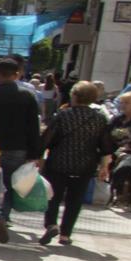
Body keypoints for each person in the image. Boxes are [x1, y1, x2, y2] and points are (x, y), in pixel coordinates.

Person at [0, 57, 42, 242]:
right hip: (18, 148)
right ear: (17, 74)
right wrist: (35, 154)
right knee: (9, 186)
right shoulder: (27, 97)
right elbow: (33, 127)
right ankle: (2, 215)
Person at [38, 80, 112, 247]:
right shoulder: (100, 118)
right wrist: (104, 166)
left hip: (59, 163)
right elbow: (106, 145)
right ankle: (65, 234)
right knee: (75, 200)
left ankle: (51, 224)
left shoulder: (63, 115)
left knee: (53, 197)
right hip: (85, 165)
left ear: (75, 96)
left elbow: (47, 139)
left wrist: (38, 157)